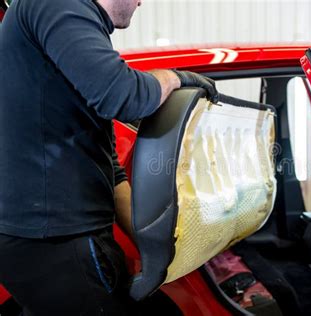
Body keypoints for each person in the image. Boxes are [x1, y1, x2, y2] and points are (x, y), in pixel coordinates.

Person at [0, 0, 217, 314]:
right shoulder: (57, 4)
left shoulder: (67, 22)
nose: (142, 1)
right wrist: (175, 78)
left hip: (64, 237)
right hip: (53, 240)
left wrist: (159, 246)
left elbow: (109, 167)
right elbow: (125, 95)